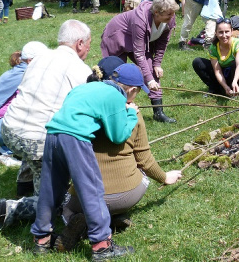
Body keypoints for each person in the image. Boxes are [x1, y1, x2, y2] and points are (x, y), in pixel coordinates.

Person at [0, 20, 92, 243]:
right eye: (88, 45)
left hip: (8, 129)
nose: (88, 50)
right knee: (54, 199)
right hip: (34, 139)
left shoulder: (39, 58)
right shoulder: (80, 70)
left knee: (35, 135)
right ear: (79, 43)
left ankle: (24, 183)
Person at [55, 60, 183, 253]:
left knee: (68, 210)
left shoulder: (89, 108)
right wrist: (165, 177)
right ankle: (110, 217)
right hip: (125, 194)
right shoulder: (134, 112)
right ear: (131, 90)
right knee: (140, 172)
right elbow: (144, 159)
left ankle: (84, 222)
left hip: (85, 189)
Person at [30, 63, 151, 258]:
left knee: (50, 189)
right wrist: (130, 113)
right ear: (132, 90)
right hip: (75, 139)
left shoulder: (85, 87)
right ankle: (102, 245)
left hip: (53, 133)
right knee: (92, 190)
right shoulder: (116, 96)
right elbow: (118, 135)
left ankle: (41, 239)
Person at [100, 0, 179, 123]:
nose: (172, 16)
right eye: (168, 14)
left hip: (136, 41)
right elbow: (139, 54)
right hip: (117, 36)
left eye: (173, 13)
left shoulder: (170, 17)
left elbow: (162, 43)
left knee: (152, 71)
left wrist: (157, 64)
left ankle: (158, 112)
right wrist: (148, 80)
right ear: (156, 13)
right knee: (116, 74)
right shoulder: (140, 20)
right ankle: (113, 111)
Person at [0, 42, 49, 167]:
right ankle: (2, 153)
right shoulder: (26, 76)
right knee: (37, 122)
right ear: (30, 61)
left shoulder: (17, 70)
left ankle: (4, 143)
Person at [193, 18, 239, 96]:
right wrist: (225, 86)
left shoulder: (238, 44)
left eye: (227, 32)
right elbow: (217, 70)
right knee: (197, 62)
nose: (224, 35)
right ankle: (216, 89)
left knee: (235, 64)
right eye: (220, 32)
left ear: (232, 31)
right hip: (226, 76)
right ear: (216, 33)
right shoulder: (214, 47)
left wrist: (235, 81)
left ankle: (238, 90)